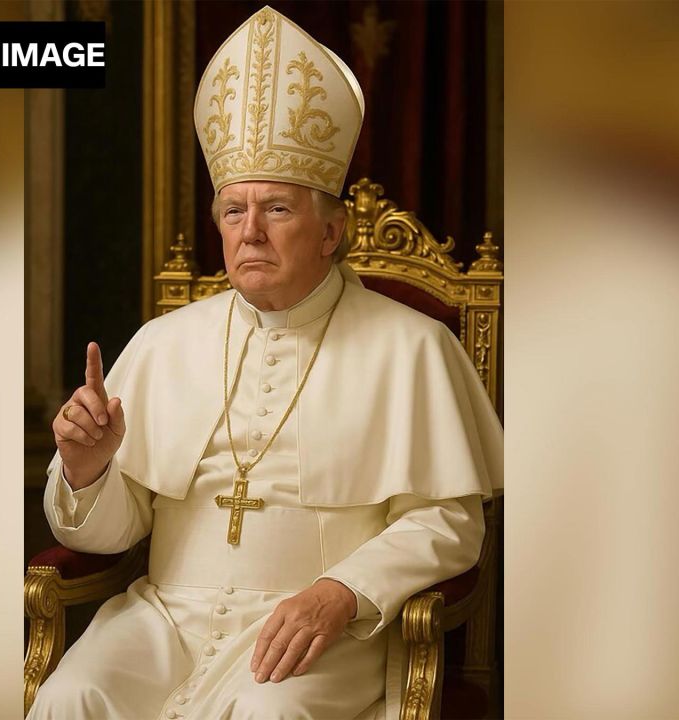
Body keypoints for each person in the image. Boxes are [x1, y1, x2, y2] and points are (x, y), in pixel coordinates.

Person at [30, 7, 502, 719]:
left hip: (320, 630)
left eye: (276, 209)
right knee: (71, 696)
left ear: (332, 232)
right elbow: (110, 535)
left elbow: (448, 522)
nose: (249, 232)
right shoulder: (163, 342)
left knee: (269, 713)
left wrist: (341, 592)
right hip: (165, 618)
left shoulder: (413, 346)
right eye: (233, 212)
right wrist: (88, 471)